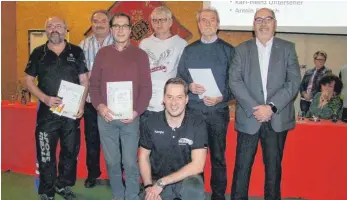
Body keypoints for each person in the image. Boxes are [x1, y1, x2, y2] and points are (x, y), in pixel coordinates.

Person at [229, 8, 301, 200]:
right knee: (241, 169)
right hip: (249, 117)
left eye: (267, 19)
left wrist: (271, 107)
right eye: (258, 20)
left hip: (276, 118)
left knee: (273, 171)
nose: (263, 23)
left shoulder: (288, 48)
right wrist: (256, 109)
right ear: (253, 25)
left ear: (274, 24)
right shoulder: (241, 50)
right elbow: (234, 81)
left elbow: (293, 82)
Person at [24, 16, 89, 200]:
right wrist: (44, 98)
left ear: (65, 30)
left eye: (58, 26)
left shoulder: (76, 51)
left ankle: (64, 186)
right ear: (46, 31)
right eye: (50, 26)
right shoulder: (38, 52)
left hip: (71, 114)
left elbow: (84, 80)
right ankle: (47, 191)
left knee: (70, 152)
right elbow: (28, 81)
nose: (54, 29)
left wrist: (81, 105)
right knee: (46, 154)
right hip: (47, 115)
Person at [89, 12, 152, 200]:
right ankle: (118, 195)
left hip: (129, 119)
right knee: (112, 161)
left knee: (130, 162)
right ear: (111, 29)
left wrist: (135, 112)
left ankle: (132, 196)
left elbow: (146, 88)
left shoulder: (140, 55)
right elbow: (94, 85)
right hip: (106, 118)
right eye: (116, 26)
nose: (120, 30)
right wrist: (100, 106)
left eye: (124, 26)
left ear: (130, 30)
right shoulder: (103, 53)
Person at [177, 8, 234, 200]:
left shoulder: (228, 50)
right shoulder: (189, 50)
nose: (208, 23)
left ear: (218, 24)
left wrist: (222, 97)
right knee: (193, 158)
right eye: (203, 20)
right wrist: (189, 86)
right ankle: (195, 195)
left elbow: (236, 84)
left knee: (218, 158)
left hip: (218, 113)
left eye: (212, 20)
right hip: (193, 113)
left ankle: (218, 196)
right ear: (199, 24)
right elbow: (180, 79)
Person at [139, 77, 208, 200]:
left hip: (186, 180)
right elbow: (143, 156)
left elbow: (198, 165)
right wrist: (148, 186)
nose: (174, 103)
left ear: (186, 99)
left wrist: (163, 181)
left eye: (179, 97)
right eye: (169, 97)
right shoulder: (150, 122)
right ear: (163, 99)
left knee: (194, 186)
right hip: (157, 182)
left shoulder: (198, 123)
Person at [79, 10, 114, 188]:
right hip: (91, 102)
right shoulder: (83, 45)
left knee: (115, 140)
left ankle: (117, 175)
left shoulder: (118, 43)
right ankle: (93, 173)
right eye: (95, 21)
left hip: (114, 102)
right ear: (91, 24)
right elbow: (79, 74)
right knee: (91, 139)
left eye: (103, 20)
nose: (99, 24)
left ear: (109, 23)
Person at [139, 6, 187, 119]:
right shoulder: (144, 44)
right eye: (155, 20)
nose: (159, 24)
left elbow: (183, 75)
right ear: (151, 23)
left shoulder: (181, 44)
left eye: (163, 20)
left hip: (170, 102)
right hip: (147, 101)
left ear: (170, 22)